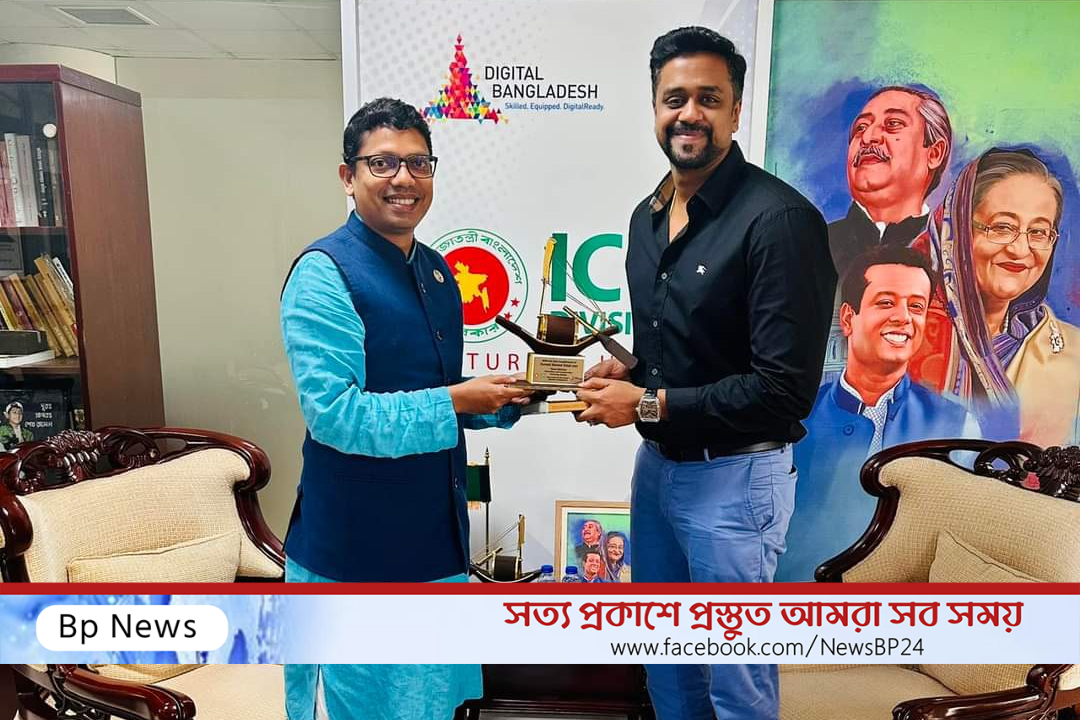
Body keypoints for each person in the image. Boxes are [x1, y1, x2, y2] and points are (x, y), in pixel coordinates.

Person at [575, 27, 835, 720]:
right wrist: (633, 367)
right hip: (657, 473)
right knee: (667, 667)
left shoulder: (780, 221)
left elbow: (782, 390)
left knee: (735, 687)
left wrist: (644, 403)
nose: (689, 114)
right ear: (655, 107)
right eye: (675, 98)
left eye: (709, 99)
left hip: (737, 481)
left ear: (736, 110)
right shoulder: (648, 216)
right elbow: (678, 347)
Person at [279, 97, 530, 720]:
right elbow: (337, 416)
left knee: (438, 705)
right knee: (362, 706)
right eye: (383, 163)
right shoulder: (324, 273)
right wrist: (457, 399)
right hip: (355, 553)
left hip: (435, 542)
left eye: (419, 163)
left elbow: (432, 389)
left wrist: (507, 400)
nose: (404, 179)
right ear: (348, 176)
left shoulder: (438, 272)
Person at [776, 246, 977, 582]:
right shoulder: (794, 414)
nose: (903, 317)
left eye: (916, 306)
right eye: (885, 302)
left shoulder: (958, 425)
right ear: (847, 319)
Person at [910, 147, 1079, 446]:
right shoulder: (903, 333)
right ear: (957, 231)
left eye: (1038, 232)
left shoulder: (1072, 352)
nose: (1020, 250)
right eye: (1002, 227)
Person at [827, 85, 952, 277]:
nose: (868, 137)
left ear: (934, 154)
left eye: (893, 123)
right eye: (861, 127)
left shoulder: (954, 254)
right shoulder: (814, 242)